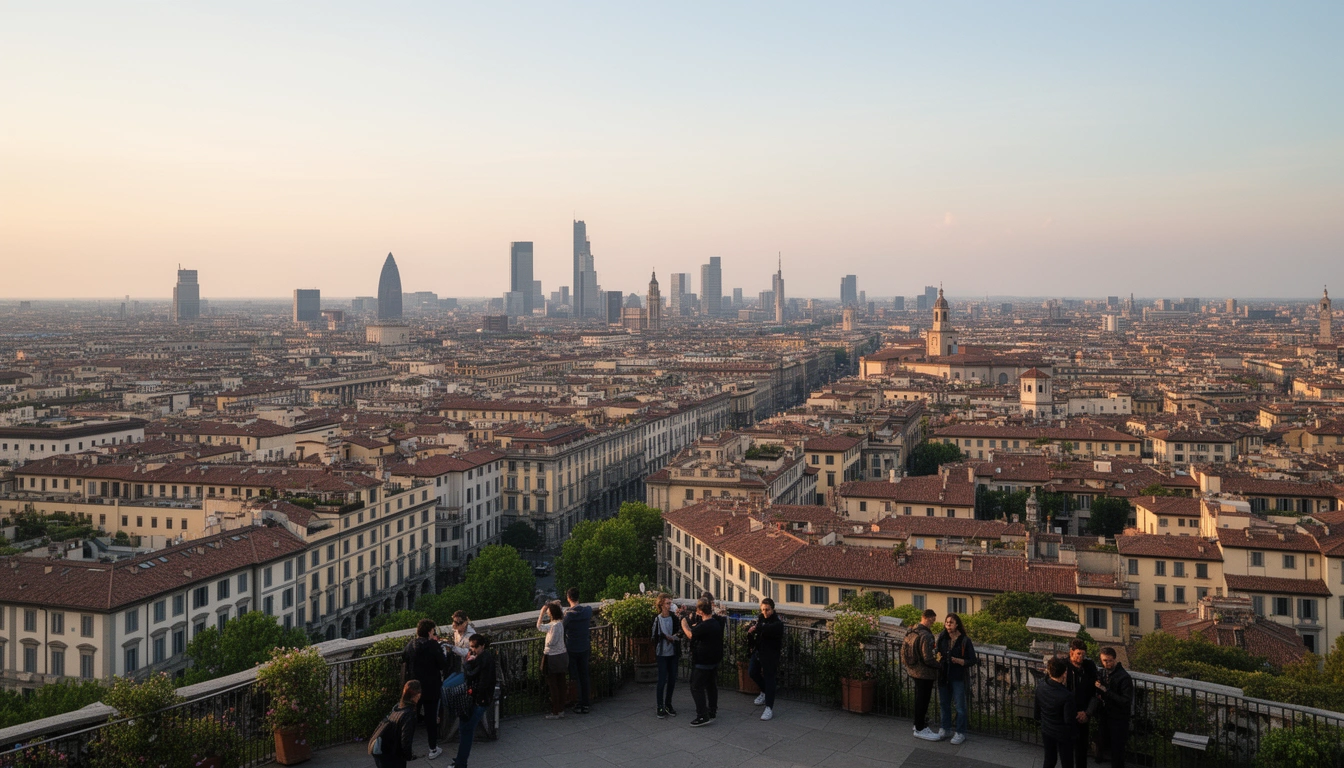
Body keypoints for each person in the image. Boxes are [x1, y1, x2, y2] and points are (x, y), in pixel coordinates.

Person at [401, 618, 451, 760]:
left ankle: (405, 749)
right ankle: (432, 748)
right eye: (433, 631)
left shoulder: (411, 645)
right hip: (431, 687)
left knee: (410, 718)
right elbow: (442, 664)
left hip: (414, 687)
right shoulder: (433, 646)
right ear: (429, 632)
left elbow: (404, 658)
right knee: (431, 718)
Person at [452, 633, 497, 768]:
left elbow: (472, 677)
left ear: (482, 646)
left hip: (479, 700)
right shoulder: (482, 658)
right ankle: (460, 760)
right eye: (471, 647)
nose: (473, 649)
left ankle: (461, 762)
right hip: (479, 699)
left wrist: (467, 664)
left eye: (475, 647)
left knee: (466, 730)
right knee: (465, 729)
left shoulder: (483, 660)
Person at [682, 595, 724, 727]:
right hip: (714, 660)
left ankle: (702, 715)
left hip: (702, 661)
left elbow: (691, 634)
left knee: (696, 687)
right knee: (711, 686)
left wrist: (684, 624)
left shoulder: (705, 626)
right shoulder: (715, 623)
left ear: (700, 611)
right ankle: (712, 711)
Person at [936, 612, 977, 745]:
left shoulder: (964, 640)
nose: (948, 625)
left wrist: (960, 661)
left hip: (958, 676)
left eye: (951, 623)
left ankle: (960, 732)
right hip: (944, 675)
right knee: (944, 703)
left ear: (957, 624)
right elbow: (937, 652)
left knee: (960, 706)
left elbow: (972, 660)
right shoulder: (942, 637)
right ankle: (945, 728)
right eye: (947, 622)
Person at [1089, 647, 1133, 768]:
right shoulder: (1103, 673)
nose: (1107, 663)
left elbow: (1125, 701)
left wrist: (1106, 691)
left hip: (1119, 718)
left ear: (1114, 659)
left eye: (1109, 660)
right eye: (1104, 660)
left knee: (1117, 749)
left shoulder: (1124, 677)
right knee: (1104, 742)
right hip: (1106, 714)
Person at [903, 608, 941, 741]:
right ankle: (920, 728)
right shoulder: (926, 635)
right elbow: (928, 658)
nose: (933, 623)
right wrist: (940, 665)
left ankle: (918, 724)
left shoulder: (911, 631)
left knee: (919, 699)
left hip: (913, 669)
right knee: (923, 700)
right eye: (933, 620)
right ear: (929, 618)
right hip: (925, 673)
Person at [1037, 656, 1078, 768]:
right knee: (1067, 762)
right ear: (1064, 673)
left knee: (1049, 760)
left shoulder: (1041, 686)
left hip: (1047, 729)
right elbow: (1069, 720)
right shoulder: (1067, 695)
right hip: (1063, 734)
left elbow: (1037, 710)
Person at [747, 597, 783, 721]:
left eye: (767, 610)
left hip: (770, 655)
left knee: (769, 679)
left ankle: (769, 707)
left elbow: (768, 629)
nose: (765, 612)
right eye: (763, 610)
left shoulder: (777, 623)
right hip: (758, 651)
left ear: (772, 609)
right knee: (752, 672)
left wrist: (758, 627)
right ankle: (764, 691)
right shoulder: (761, 618)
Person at [1064, 639, 1098, 767]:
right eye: (1078, 654)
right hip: (1069, 714)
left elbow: (1095, 692)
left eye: (1083, 654)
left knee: (1082, 749)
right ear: (1071, 652)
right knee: (1067, 748)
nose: (1081, 657)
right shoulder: (1064, 666)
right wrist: (1073, 713)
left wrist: (1087, 713)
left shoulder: (1089, 667)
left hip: (1084, 713)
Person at [374, 680, 421, 768]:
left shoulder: (398, 706)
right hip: (391, 753)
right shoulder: (409, 714)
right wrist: (408, 756)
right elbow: (406, 739)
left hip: (382, 748)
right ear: (417, 695)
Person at [562, 587, 594, 714]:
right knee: (584, 675)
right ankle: (585, 703)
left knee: (574, 677)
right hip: (584, 647)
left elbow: (562, 627)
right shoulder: (587, 611)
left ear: (568, 598)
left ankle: (578, 702)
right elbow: (589, 608)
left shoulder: (569, 615)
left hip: (572, 648)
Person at [651, 594, 681, 718]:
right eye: (667, 603)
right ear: (661, 604)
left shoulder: (674, 617)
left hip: (673, 652)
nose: (669, 605)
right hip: (662, 653)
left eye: (670, 603)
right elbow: (653, 636)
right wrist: (664, 637)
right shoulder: (657, 619)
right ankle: (660, 705)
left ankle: (668, 704)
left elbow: (679, 632)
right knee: (662, 680)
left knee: (672, 680)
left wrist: (674, 637)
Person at [537, 601, 569, 719]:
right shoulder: (560, 623)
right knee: (561, 683)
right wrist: (556, 605)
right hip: (562, 655)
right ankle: (561, 709)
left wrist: (541, 613)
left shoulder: (552, 626)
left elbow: (540, 628)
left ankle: (555, 711)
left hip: (551, 657)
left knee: (553, 685)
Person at [441, 611, 477, 693]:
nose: (455, 625)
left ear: (465, 623)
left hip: (467, 670)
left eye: (458, 623)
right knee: (444, 684)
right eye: (454, 622)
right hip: (457, 667)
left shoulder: (471, 635)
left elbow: (468, 652)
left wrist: (453, 647)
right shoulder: (456, 631)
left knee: (446, 687)